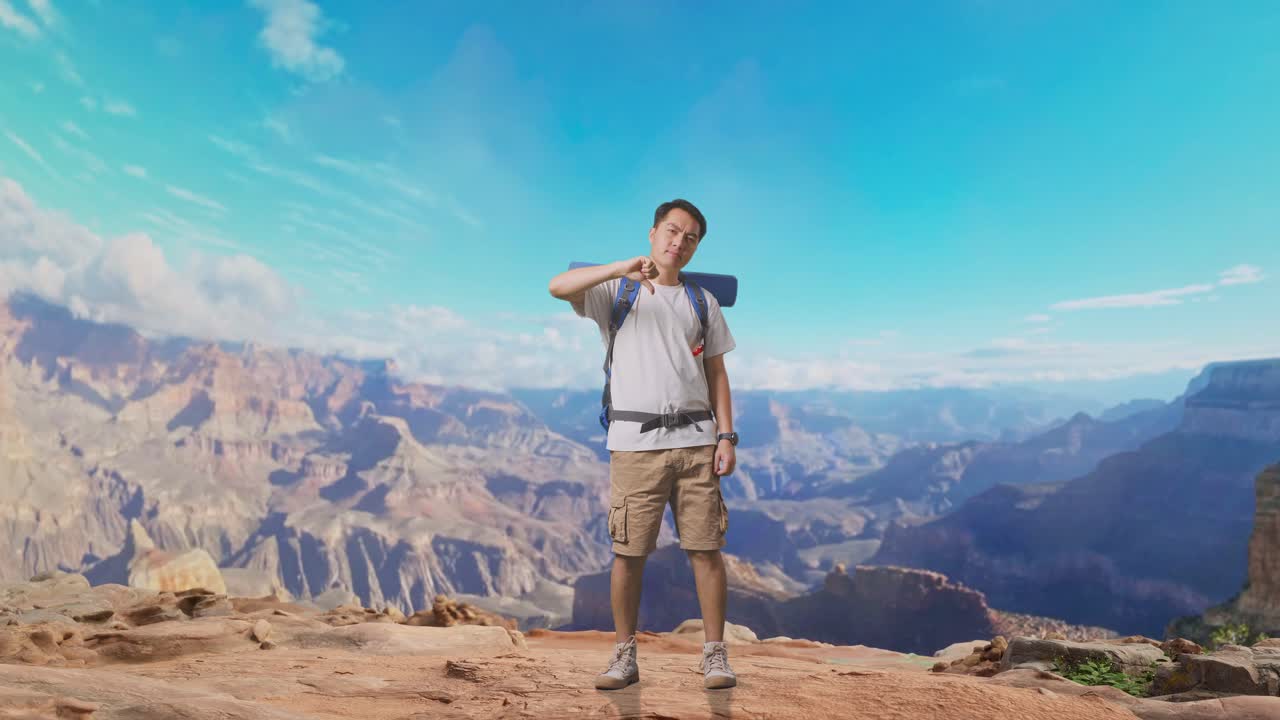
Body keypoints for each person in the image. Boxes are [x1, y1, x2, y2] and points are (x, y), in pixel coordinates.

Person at [547, 198, 740, 691]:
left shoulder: (703, 302)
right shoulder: (614, 291)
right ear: (653, 233)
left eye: (691, 237)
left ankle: (715, 656)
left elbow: (717, 372)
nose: (680, 242)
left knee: (706, 550)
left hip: (697, 442)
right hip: (634, 444)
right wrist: (621, 267)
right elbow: (556, 286)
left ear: (696, 247)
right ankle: (624, 656)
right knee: (628, 553)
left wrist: (726, 436)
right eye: (672, 231)